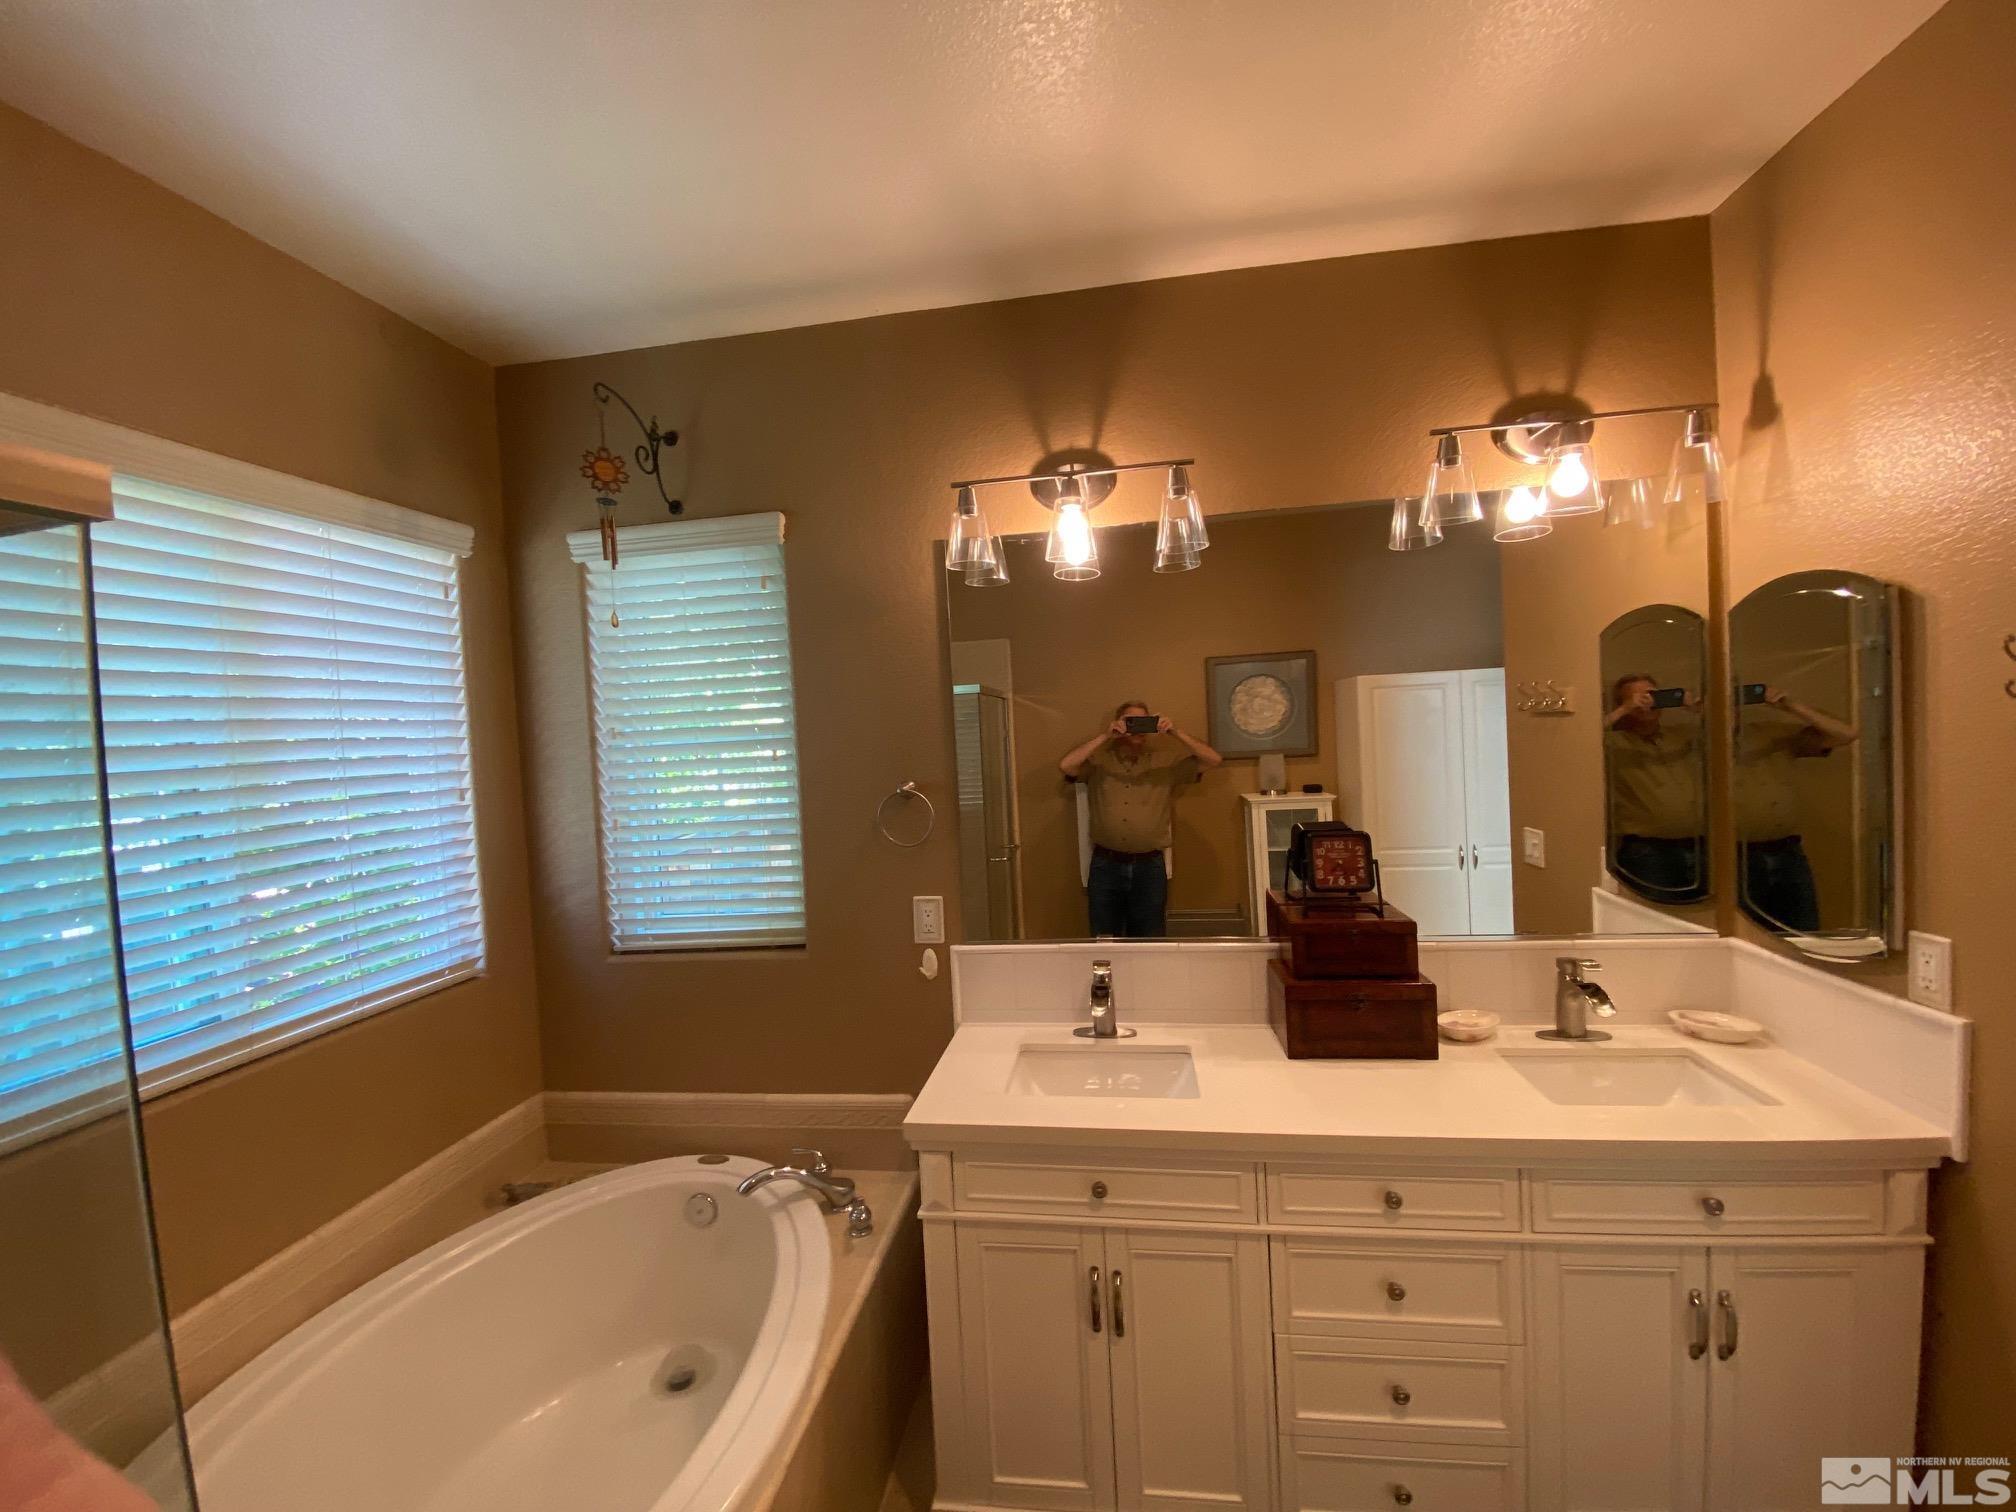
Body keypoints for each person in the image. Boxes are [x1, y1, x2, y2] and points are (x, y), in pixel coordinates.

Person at [1059, 701, 1223, 937]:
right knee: (1104, 936)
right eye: (1130, 722)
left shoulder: (1166, 764)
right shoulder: (1098, 763)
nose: (1136, 729)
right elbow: (1066, 765)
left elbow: (1213, 760)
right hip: (1106, 865)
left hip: (1150, 867)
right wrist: (1106, 736)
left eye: (1142, 722)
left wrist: (1175, 731)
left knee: (1150, 938)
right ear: (1119, 724)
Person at [1734, 684, 1858, 932]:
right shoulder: (1689, 742)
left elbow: (1846, 734)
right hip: (1732, 857)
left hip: (1786, 851)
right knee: (1745, 937)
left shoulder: (1770, 734)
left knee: (1803, 933)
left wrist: (1791, 706)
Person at [1602, 673, 1708, 901]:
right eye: (1638, 697)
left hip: (1698, 847)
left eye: (1652, 695)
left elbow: (1730, 733)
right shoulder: (1614, 742)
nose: (1647, 702)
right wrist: (1625, 709)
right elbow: (1579, 740)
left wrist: (1698, 709)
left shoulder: (1682, 736)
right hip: (1646, 852)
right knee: (1656, 921)